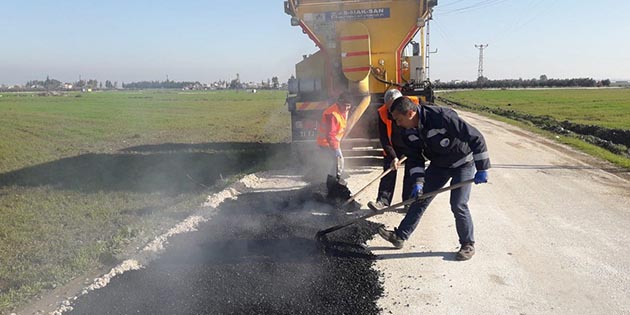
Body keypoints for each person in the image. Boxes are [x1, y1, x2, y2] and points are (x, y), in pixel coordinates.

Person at [378, 97, 490, 261]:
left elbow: (475, 137)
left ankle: (468, 244)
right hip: (439, 166)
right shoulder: (407, 131)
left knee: (458, 204)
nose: (397, 123)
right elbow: (415, 159)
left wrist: (482, 168)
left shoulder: (442, 117)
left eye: (399, 119)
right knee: (420, 199)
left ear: (410, 113)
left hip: (463, 163)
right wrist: (418, 182)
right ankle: (400, 237)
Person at [367, 89, 417, 211]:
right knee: (388, 172)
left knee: (411, 173)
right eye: (390, 107)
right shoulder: (383, 112)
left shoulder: (413, 106)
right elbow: (384, 138)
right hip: (393, 147)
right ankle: (382, 202)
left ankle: (408, 203)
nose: (392, 111)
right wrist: (394, 157)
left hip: (411, 144)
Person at [315, 92, 353, 202]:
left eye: (348, 105)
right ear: (339, 103)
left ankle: (333, 191)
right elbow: (330, 135)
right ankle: (332, 194)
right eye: (345, 105)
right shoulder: (332, 114)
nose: (346, 108)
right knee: (334, 167)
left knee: (335, 168)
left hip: (334, 142)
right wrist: (336, 149)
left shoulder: (344, 110)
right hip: (326, 143)